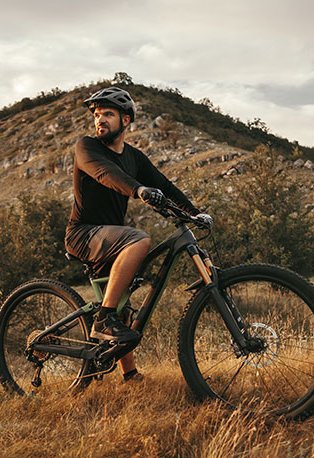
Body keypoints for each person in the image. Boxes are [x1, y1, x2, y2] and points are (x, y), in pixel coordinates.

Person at [64, 86, 212, 382]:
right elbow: (106, 174)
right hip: (84, 233)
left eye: (107, 114)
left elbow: (165, 186)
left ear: (126, 120)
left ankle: (129, 375)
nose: (99, 120)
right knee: (139, 238)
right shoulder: (86, 147)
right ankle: (103, 320)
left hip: (110, 240)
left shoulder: (134, 157)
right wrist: (138, 189)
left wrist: (194, 213)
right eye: (96, 114)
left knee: (124, 300)